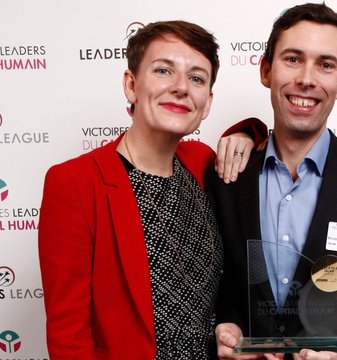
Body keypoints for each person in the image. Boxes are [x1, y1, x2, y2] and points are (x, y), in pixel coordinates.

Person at [38, 20, 267, 359]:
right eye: (163, 70)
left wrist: (248, 133)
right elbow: (68, 335)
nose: (180, 87)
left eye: (196, 78)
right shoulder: (75, 183)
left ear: (207, 103)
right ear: (131, 85)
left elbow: (273, 147)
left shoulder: (202, 163)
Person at [205, 3, 337, 360]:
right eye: (293, 59)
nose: (307, 79)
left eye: (326, 65)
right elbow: (213, 293)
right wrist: (223, 327)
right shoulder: (226, 176)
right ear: (266, 70)